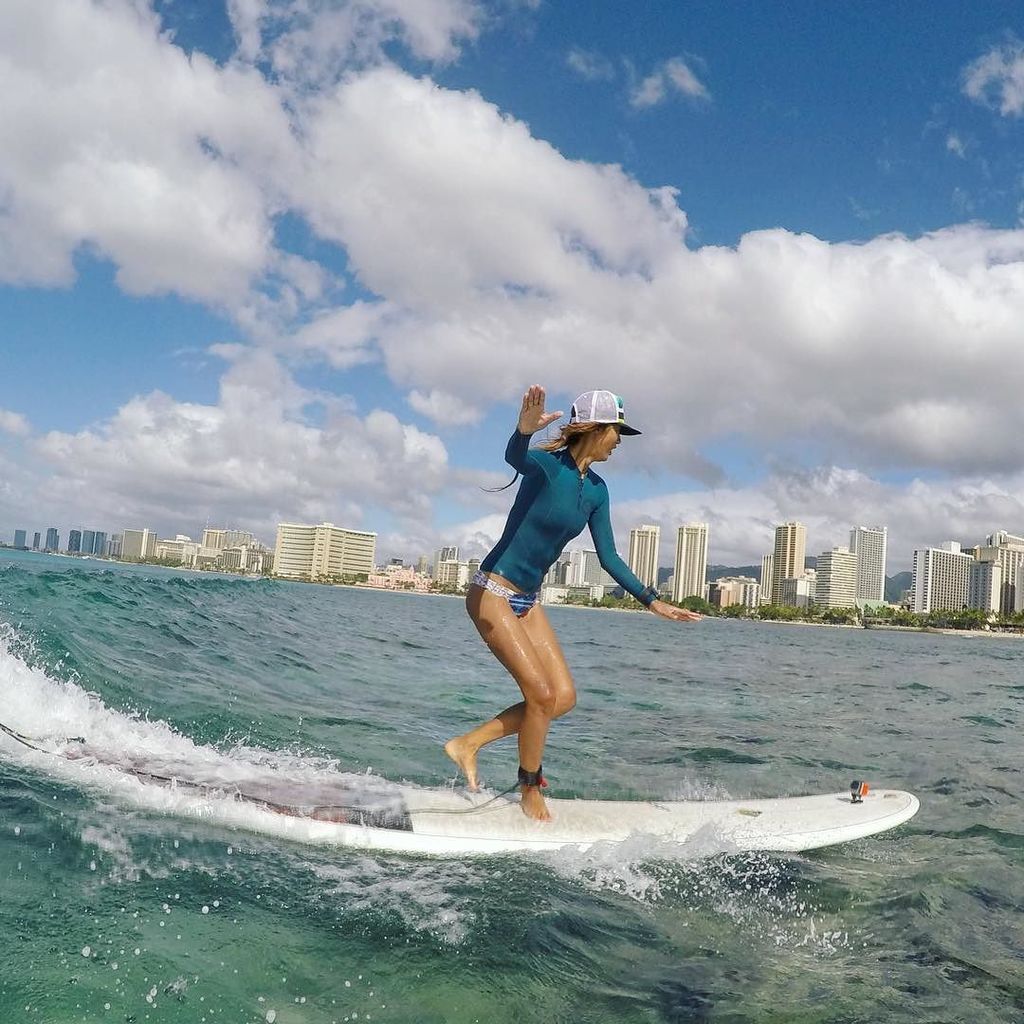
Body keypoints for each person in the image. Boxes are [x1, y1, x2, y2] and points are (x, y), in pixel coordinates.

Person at [445, 385, 701, 821]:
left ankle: (467, 744)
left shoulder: (598, 491)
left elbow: (609, 556)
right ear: (596, 429)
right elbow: (516, 458)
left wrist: (652, 601)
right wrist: (522, 432)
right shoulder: (546, 467)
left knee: (560, 698)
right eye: (617, 431)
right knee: (540, 694)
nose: (620, 441)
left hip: (528, 599)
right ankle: (529, 788)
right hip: (493, 592)